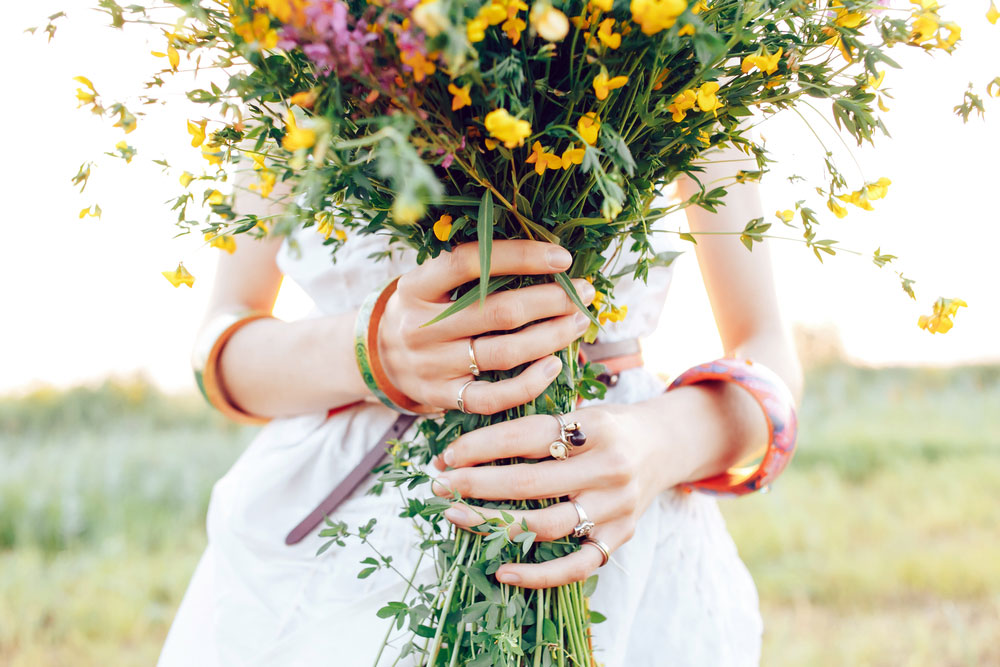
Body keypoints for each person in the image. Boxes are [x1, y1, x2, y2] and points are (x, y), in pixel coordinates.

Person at [158, 144, 803, 667]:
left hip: (611, 518)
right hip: (335, 549)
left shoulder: (688, 24)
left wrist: (658, 445)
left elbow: (765, 344)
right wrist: (371, 350)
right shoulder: (297, 33)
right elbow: (222, 347)